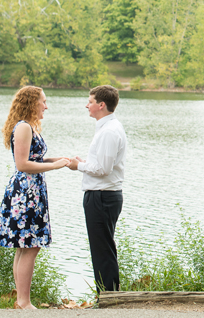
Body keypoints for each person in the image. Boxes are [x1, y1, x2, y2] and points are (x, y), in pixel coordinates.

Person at [0, 86, 70, 310]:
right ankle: (24, 302)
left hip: (32, 189)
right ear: (31, 103)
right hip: (26, 191)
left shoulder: (29, 127)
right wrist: (54, 166)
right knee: (30, 245)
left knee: (25, 246)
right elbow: (22, 164)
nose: (46, 106)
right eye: (43, 101)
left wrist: (58, 159)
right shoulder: (24, 127)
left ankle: (21, 301)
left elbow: (35, 158)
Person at [68, 85, 127, 294]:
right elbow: (102, 164)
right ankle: (108, 297)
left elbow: (103, 169)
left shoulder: (109, 131)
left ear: (101, 105)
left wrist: (78, 166)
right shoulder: (106, 128)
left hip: (102, 197)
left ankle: (108, 298)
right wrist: (86, 162)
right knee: (102, 249)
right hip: (102, 196)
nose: (87, 105)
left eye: (90, 101)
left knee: (102, 250)